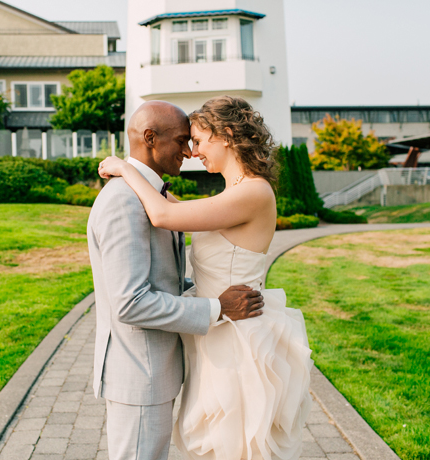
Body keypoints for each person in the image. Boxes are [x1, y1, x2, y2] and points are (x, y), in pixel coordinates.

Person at [97, 96, 313, 460]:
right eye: (187, 142)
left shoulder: (255, 193)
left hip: (238, 339)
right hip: (215, 337)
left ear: (226, 135)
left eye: (197, 140)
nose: (193, 152)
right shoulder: (231, 195)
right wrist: (136, 173)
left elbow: (163, 213)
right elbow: (171, 208)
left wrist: (125, 168)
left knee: (239, 447)